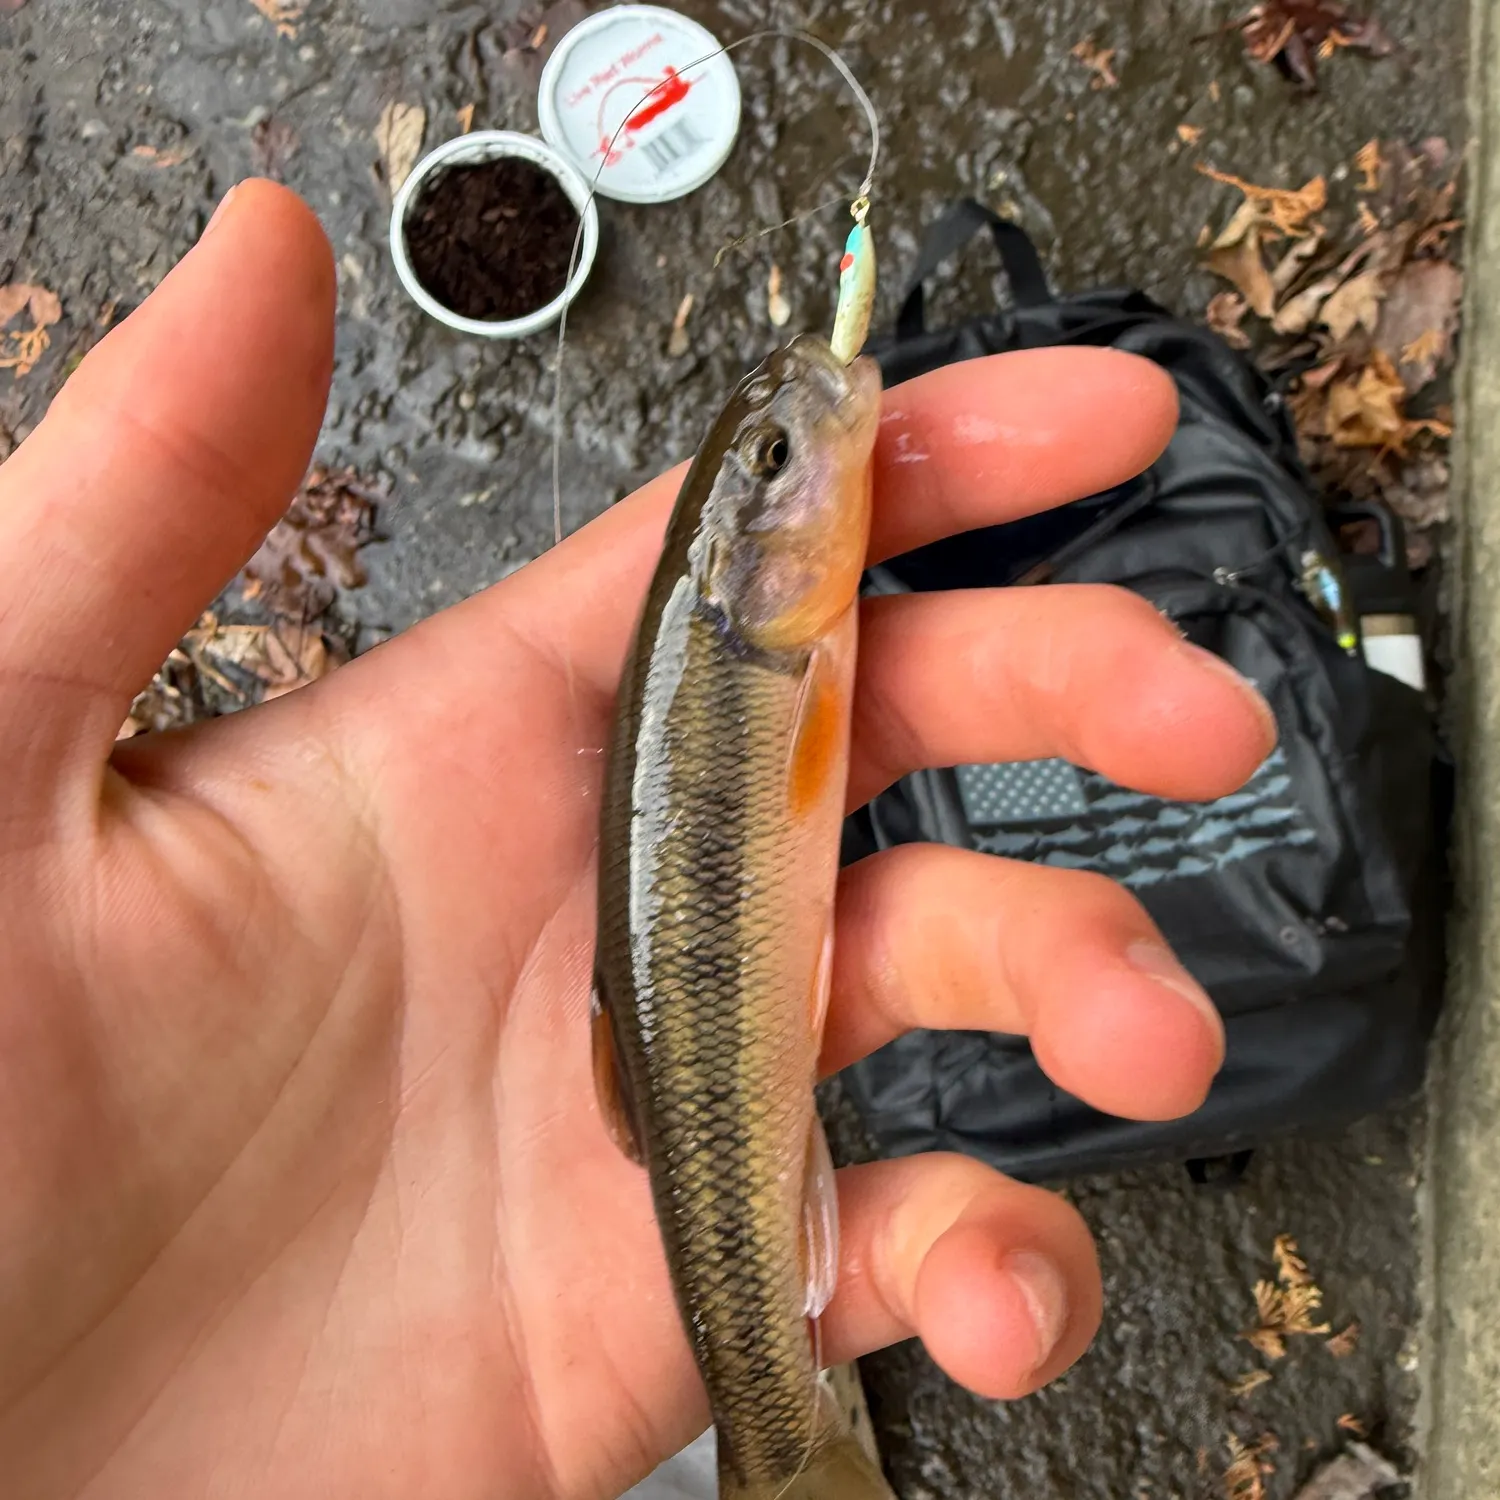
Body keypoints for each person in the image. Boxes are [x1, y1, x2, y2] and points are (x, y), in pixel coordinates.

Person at [0, 181, 1276, 1497]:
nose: (798, 445)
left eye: (766, 462)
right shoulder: (758, 665)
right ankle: (780, 1438)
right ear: (745, 572)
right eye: (775, 471)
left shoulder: (771, 650)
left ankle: (778, 1432)